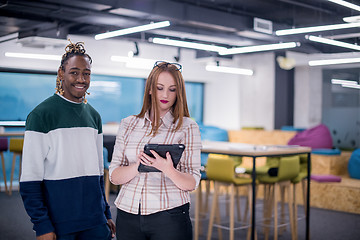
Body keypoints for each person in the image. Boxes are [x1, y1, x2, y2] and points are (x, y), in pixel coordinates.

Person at [20, 41, 116, 240]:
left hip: (95, 221)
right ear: (61, 73)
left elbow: (98, 174)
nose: (81, 79)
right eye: (74, 72)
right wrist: (42, 225)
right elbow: (30, 179)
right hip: (60, 223)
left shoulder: (94, 117)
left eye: (86, 73)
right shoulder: (41, 115)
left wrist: (105, 213)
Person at [109, 61, 202, 240]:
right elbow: (114, 175)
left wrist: (168, 169)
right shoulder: (128, 124)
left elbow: (191, 183)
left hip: (169, 217)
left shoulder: (188, 127)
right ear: (150, 89)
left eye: (172, 89)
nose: (165, 94)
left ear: (179, 93)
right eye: (159, 88)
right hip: (128, 214)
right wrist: (139, 165)